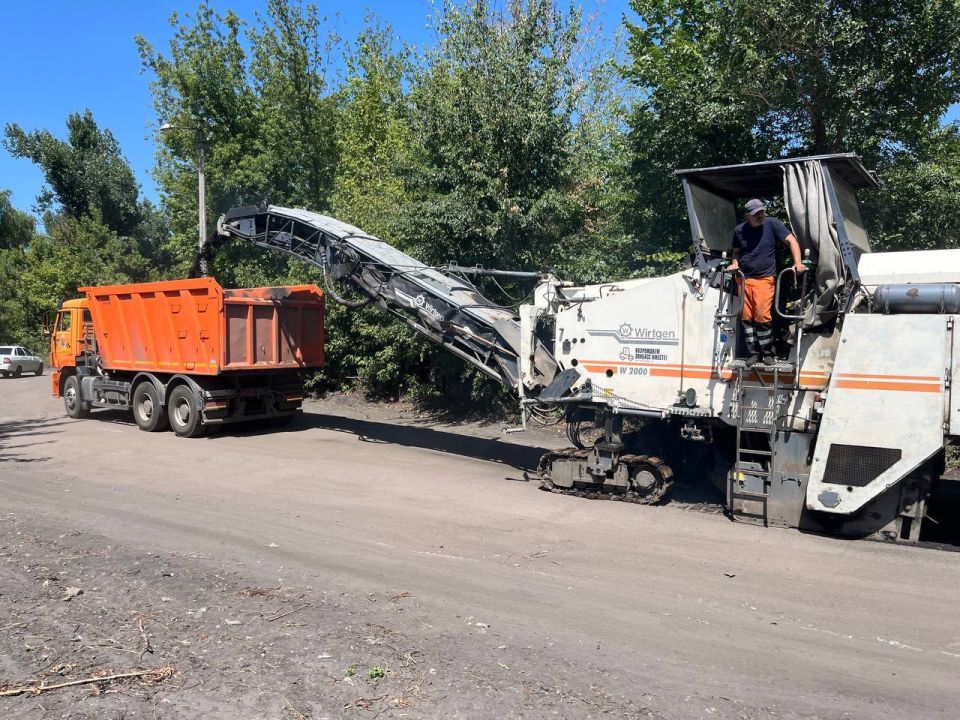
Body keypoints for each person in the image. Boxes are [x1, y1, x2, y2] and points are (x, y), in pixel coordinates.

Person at [727, 199, 805, 366]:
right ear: (747, 216)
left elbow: (792, 241)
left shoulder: (772, 224)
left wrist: (798, 263)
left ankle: (767, 352)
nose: (760, 215)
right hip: (744, 279)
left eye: (761, 211)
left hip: (764, 278)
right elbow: (736, 251)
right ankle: (754, 353)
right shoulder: (739, 230)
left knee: (762, 316)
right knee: (746, 317)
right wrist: (734, 263)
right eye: (756, 213)